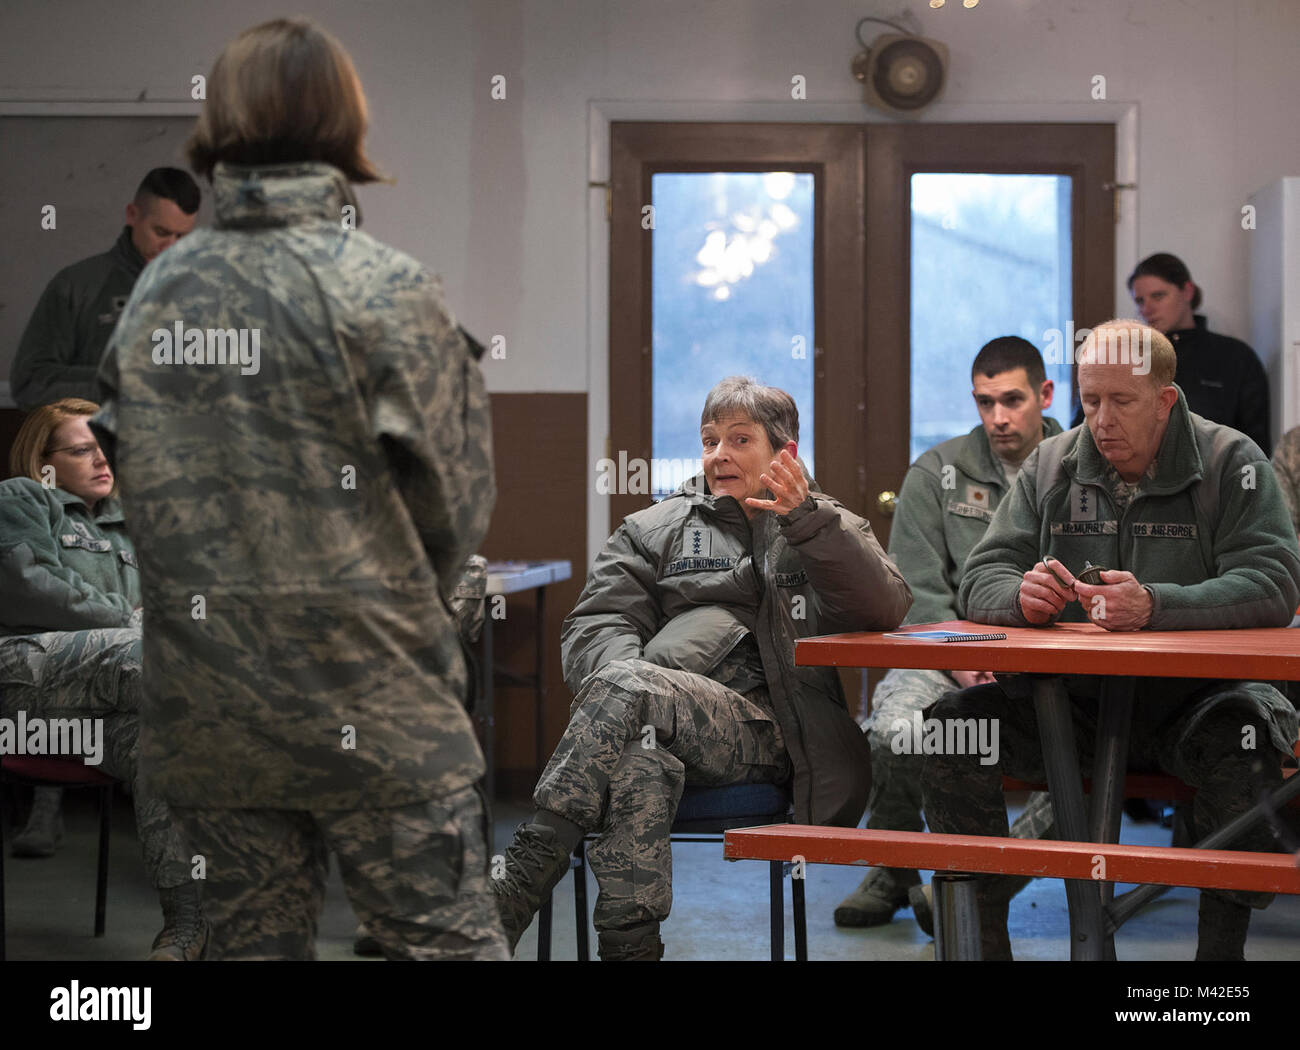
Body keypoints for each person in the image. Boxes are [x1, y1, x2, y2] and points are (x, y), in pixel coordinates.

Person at [89, 17, 503, 960]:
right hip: (382, 694)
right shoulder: (388, 289)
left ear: (218, 123)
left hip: (210, 707)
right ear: (344, 125)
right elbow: (457, 511)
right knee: (441, 944)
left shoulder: (153, 298)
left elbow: (134, 496)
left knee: (245, 948)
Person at [490, 376, 912, 960]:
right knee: (636, 759)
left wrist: (807, 521)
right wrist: (635, 699)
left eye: (740, 440)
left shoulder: (824, 526)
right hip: (658, 727)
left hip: (774, 738)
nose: (719, 454)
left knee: (627, 689)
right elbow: (594, 626)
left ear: (783, 452)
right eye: (710, 440)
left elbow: (884, 607)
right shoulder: (652, 530)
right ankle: (630, 950)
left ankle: (514, 888)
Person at [922, 320, 1300, 960]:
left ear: (1165, 400)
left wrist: (1158, 604)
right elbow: (982, 576)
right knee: (952, 730)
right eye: (1090, 400)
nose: (1100, 420)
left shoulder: (1233, 460)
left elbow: (1274, 583)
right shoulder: (1052, 463)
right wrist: (1021, 597)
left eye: (1120, 401)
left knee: (1248, 748)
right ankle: (981, 950)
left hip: (1195, 706)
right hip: (1068, 709)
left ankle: (1215, 974)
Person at [834, 336, 1061, 932]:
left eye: (1011, 400)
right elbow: (915, 590)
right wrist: (959, 657)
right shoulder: (939, 471)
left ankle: (982, 880)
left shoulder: (1080, 465)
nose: (998, 418)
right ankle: (895, 867)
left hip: (1054, 661)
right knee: (893, 733)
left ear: (1045, 394)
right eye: (984, 402)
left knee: (1083, 758)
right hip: (944, 652)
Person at [0, 399, 206, 959]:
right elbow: (26, 587)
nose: (101, 459)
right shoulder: (22, 497)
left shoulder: (133, 526)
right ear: (42, 460)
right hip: (26, 684)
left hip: (107, 708)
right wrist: (131, 618)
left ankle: (188, 925)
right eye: (81, 448)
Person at [10, 168, 200, 412]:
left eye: (182, 236)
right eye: (161, 232)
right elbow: (29, 384)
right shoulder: (77, 286)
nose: (171, 247)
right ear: (132, 215)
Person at [1072, 253, 1270, 455]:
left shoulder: (1235, 358)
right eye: (1140, 301)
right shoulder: (1121, 357)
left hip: (1213, 479)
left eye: (1158, 296)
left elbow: (1255, 448)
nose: (1147, 309)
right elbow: (1080, 436)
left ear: (1187, 291)